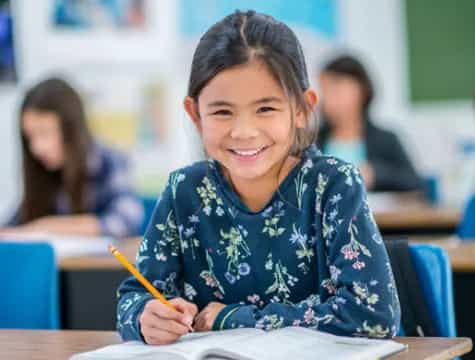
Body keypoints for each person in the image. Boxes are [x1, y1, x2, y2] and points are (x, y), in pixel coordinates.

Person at [117, 11, 400, 345]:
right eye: (222, 112)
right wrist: (145, 316)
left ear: (302, 109)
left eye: (265, 109)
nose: (244, 132)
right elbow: (133, 298)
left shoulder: (333, 185)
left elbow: (373, 315)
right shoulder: (184, 190)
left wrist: (231, 317)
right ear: (195, 115)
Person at [0, 78, 144, 239]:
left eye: (44, 133)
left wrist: (49, 227)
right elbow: (12, 229)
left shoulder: (110, 161)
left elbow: (126, 220)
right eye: (30, 137)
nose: (36, 148)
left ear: (71, 130)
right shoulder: (43, 171)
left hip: (100, 263)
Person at [317, 55, 423, 192]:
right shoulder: (312, 142)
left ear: (362, 91)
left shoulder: (386, 140)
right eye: (324, 91)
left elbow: (414, 181)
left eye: (336, 91)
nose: (328, 100)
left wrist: (376, 175)